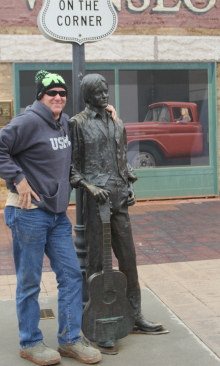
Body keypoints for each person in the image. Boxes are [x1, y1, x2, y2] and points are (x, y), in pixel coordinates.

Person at [0, 70, 102, 366]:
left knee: (72, 275)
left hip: (57, 216)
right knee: (29, 281)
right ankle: (30, 342)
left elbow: (82, 124)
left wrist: (104, 112)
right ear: (40, 96)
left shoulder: (61, 122)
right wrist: (18, 179)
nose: (58, 97)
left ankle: (70, 339)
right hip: (28, 214)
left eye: (62, 93)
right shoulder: (29, 121)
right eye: (52, 93)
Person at [69, 74, 163, 346]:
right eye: (98, 93)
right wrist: (89, 186)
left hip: (120, 198)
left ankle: (135, 315)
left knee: (129, 259)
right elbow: (73, 168)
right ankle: (100, 319)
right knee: (97, 262)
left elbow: (123, 161)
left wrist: (130, 183)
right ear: (88, 96)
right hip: (96, 201)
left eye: (106, 91)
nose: (105, 96)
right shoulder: (78, 123)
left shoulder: (116, 123)